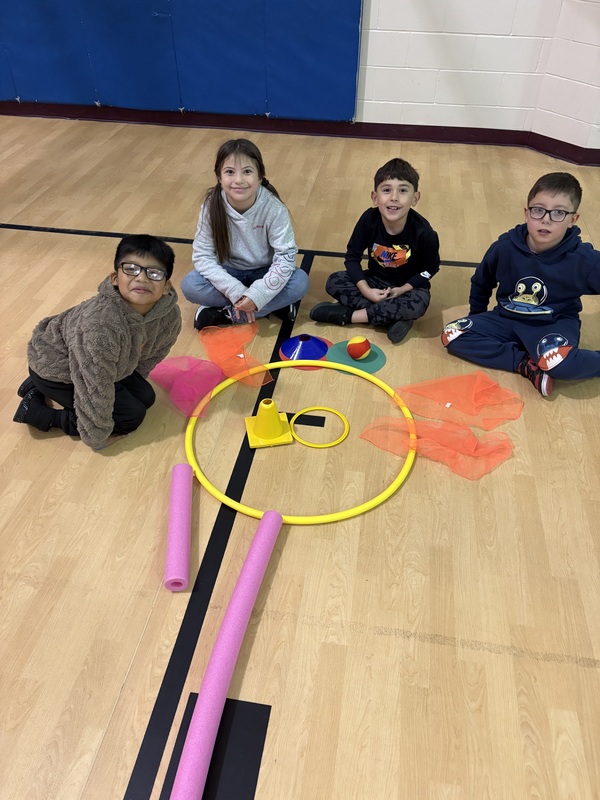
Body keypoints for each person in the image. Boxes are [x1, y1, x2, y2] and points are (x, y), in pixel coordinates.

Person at [13, 234, 182, 450]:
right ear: (114, 278)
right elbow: (92, 383)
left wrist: (133, 384)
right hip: (58, 368)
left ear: (167, 286)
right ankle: (38, 412)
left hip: (98, 364)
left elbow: (151, 355)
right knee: (130, 418)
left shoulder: (170, 315)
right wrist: (96, 436)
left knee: (146, 397)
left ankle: (38, 387)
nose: (142, 278)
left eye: (154, 273)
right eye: (131, 269)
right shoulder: (100, 325)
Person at [441, 172, 600, 398]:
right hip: (505, 319)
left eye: (558, 213)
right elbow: (481, 281)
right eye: (538, 210)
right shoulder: (505, 246)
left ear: (573, 219)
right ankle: (525, 363)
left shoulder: (584, 259)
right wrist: (477, 317)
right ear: (527, 213)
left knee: (559, 365)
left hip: (552, 325)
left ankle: (551, 360)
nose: (545, 219)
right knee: (451, 334)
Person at [181, 138, 309, 329]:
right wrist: (238, 292)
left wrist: (259, 293)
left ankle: (229, 314)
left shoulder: (274, 209)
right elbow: (202, 256)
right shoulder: (211, 206)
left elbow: (285, 258)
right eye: (230, 172)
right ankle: (269, 306)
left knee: (300, 282)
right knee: (190, 285)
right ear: (219, 177)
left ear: (260, 177)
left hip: (265, 271)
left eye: (247, 171)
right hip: (228, 273)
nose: (238, 180)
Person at [309, 158, 440, 343]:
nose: (394, 197)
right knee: (334, 281)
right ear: (375, 197)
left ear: (415, 198)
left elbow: (431, 268)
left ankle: (350, 316)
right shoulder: (368, 220)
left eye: (403, 191)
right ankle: (393, 318)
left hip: (407, 288)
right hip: (374, 280)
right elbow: (352, 257)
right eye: (386, 190)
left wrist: (403, 289)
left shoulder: (425, 233)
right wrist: (366, 290)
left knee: (417, 305)